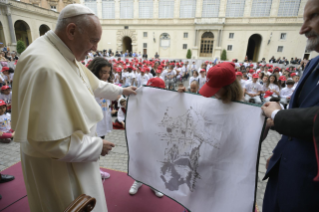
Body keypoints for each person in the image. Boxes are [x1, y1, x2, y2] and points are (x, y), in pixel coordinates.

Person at [11, 4, 136, 212]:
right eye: (93, 40)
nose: (95, 48)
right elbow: (48, 143)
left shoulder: (60, 50)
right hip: (58, 169)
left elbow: (92, 84)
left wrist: (122, 91)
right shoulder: (45, 66)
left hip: (72, 158)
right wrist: (97, 146)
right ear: (71, 31)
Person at [261, 1, 319, 211]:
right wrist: (280, 154)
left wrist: (277, 115)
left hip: (311, 188)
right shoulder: (313, 64)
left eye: (313, 16)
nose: (303, 29)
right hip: (284, 174)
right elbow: (300, 114)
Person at [129, 77, 165, 198]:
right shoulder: (140, 98)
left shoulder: (166, 101)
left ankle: (153, 183)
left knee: (155, 159)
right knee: (139, 158)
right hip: (141, 134)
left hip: (157, 135)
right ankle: (138, 180)